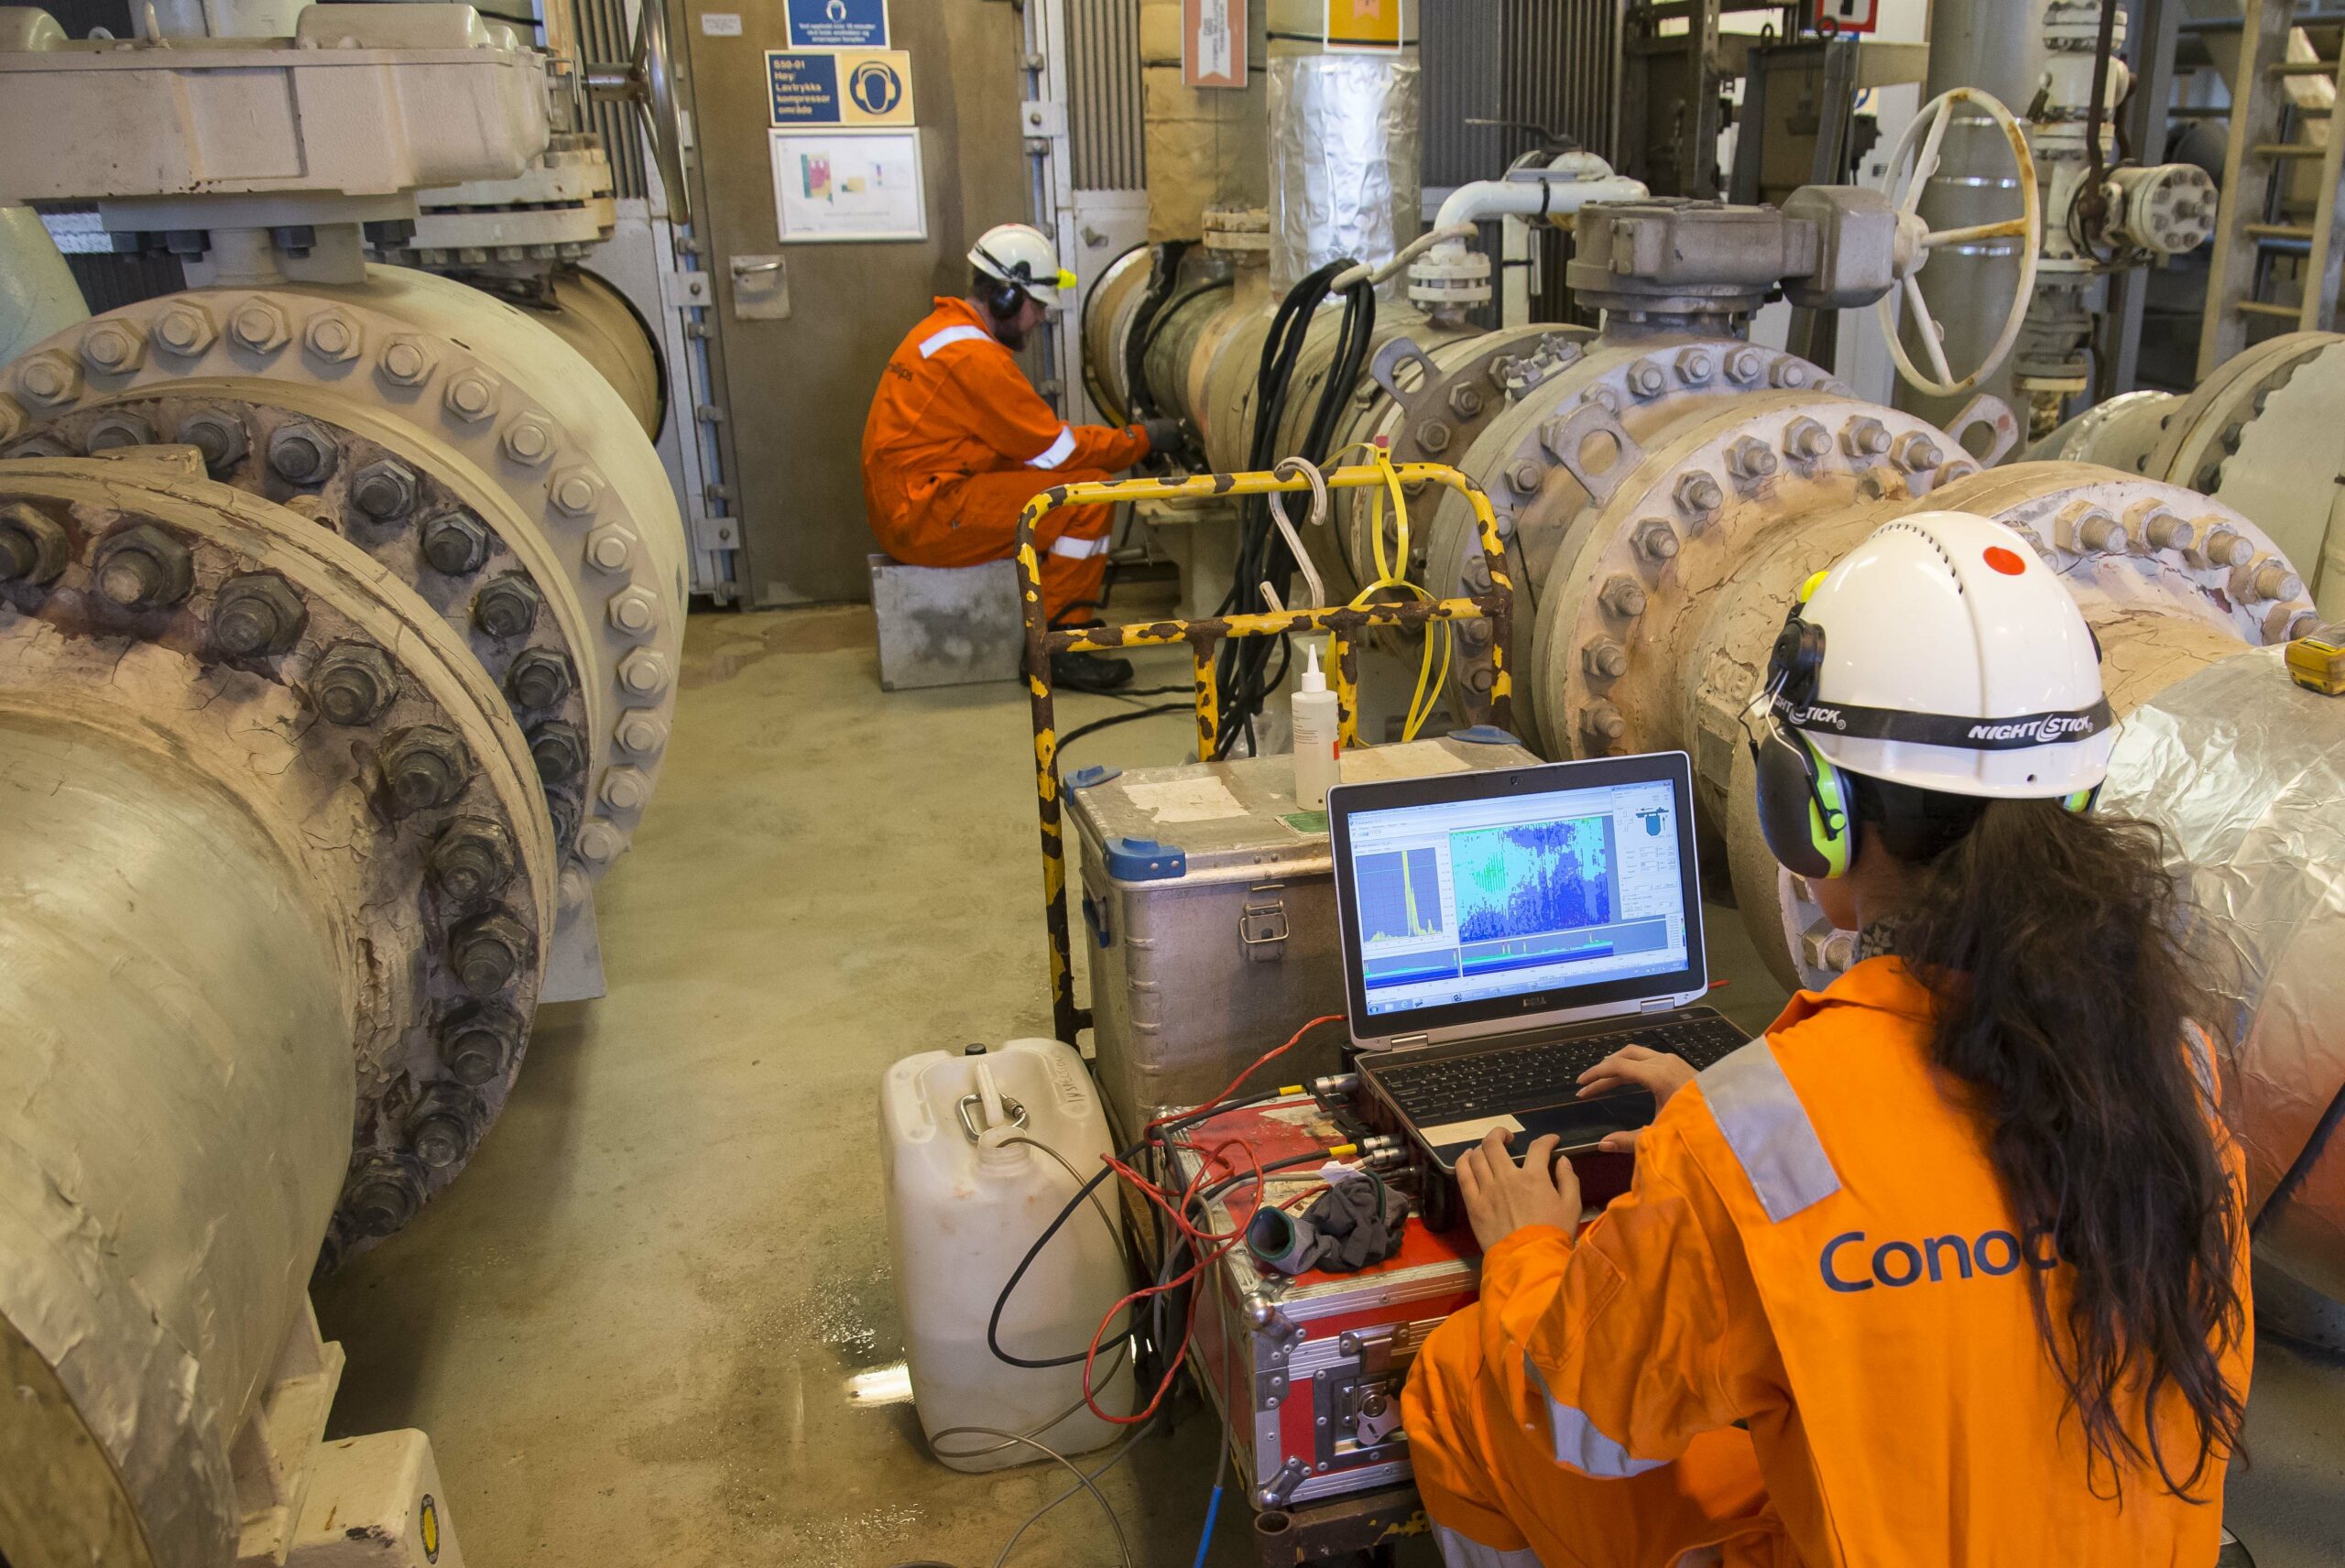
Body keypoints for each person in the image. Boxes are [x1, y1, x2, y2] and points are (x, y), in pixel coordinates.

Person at [1402, 510, 2252, 1567]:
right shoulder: (2177, 1060)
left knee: (1459, 1379)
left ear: (1811, 812)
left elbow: (1582, 1417)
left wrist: (1529, 1247)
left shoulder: (1758, 1128)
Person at [861, 222, 1183, 691]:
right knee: (1086, 496)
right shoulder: (975, 359)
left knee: (1075, 478)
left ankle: (1063, 620)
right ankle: (1057, 648)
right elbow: (1056, 451)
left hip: (916, 497)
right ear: (1006, 298)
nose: (1040, 319)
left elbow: (1024, 449)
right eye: (1037, 307)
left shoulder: (946, 332)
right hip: (925, 514)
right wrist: (1145, 439)